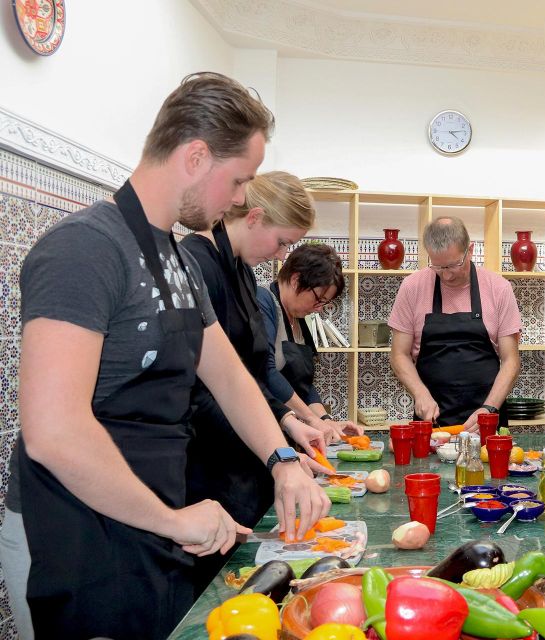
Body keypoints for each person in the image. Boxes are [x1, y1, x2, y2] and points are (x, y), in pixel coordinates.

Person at [0, 72, 329, 640]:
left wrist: (283, 461)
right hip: (75, 532)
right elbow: (53, 432)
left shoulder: (173, 258)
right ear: (197, 156)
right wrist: (171, 520)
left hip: (146, 527)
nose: (240, 199)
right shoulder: (85, 248)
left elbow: (228, 375)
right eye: (239, 180)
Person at [180, 172, 346, 592]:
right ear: (253, 217)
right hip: (208, 466)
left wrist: (288, 428)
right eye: (283, 242)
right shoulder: (197, 262)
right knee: (220, 595)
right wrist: (279, 453)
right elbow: (206, 388)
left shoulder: (241, 274)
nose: (282, 255)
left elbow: (249, 377)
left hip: (244, 459)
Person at [389, 216, 521, 430]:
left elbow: (511, 361)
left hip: (486, 418)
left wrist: (488, 409)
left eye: (453, 265)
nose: (446, 276)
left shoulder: (499, 288)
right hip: (431, 421)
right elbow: (399, 354)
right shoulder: (412, 287)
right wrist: (420, 394)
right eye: (438, 267)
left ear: (470, 250)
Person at [257, 243, 361, 441]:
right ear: (296, 280)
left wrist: (325, 419)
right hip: (266, 431)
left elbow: (303, 384)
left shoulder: (299, 318)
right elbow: (266, 371)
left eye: (324, 302)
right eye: (318, 299)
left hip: (292, 433)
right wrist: (311, 420)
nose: (319, 308)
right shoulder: (264, 302)